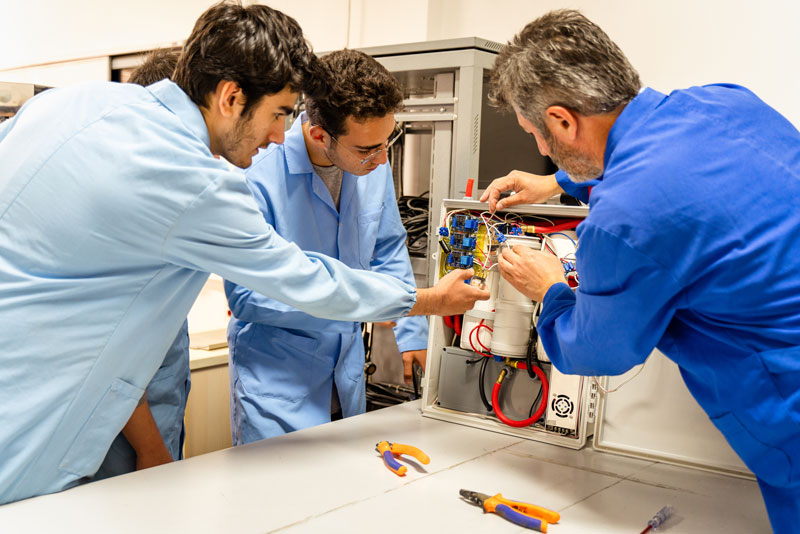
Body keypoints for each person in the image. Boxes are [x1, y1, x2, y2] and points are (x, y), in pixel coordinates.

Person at [0, 2, 487, 505]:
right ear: (231, 97)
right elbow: (306, 280)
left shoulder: (71, 103)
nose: (280, 135)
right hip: (36, 432)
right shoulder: (196, 181)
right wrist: (429, 301)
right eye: (278, 113)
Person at [481, 9, 800, 531]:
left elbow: (599, 350)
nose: (538, 148)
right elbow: (673, 174)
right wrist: (559, 182)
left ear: (562, 120)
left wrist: (552, 291)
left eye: (536, 133)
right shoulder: (724, 100)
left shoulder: (624, 220)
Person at [225, 49, 428, 444]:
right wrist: (358, 306)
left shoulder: (373, 165)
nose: (382, 159)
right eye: (368, 149)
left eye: (388, 141)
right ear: (319, 134)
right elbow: (247, 297)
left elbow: (386, 247)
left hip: (347, 378)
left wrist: (412, 331)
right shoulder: (256, 176)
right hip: (279, 388)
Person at [93, 48, 189, 480]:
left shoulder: (168, 196)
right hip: (127, 444)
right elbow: (114, 355)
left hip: (158, 424)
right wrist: (151, 449)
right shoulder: (131, 209)